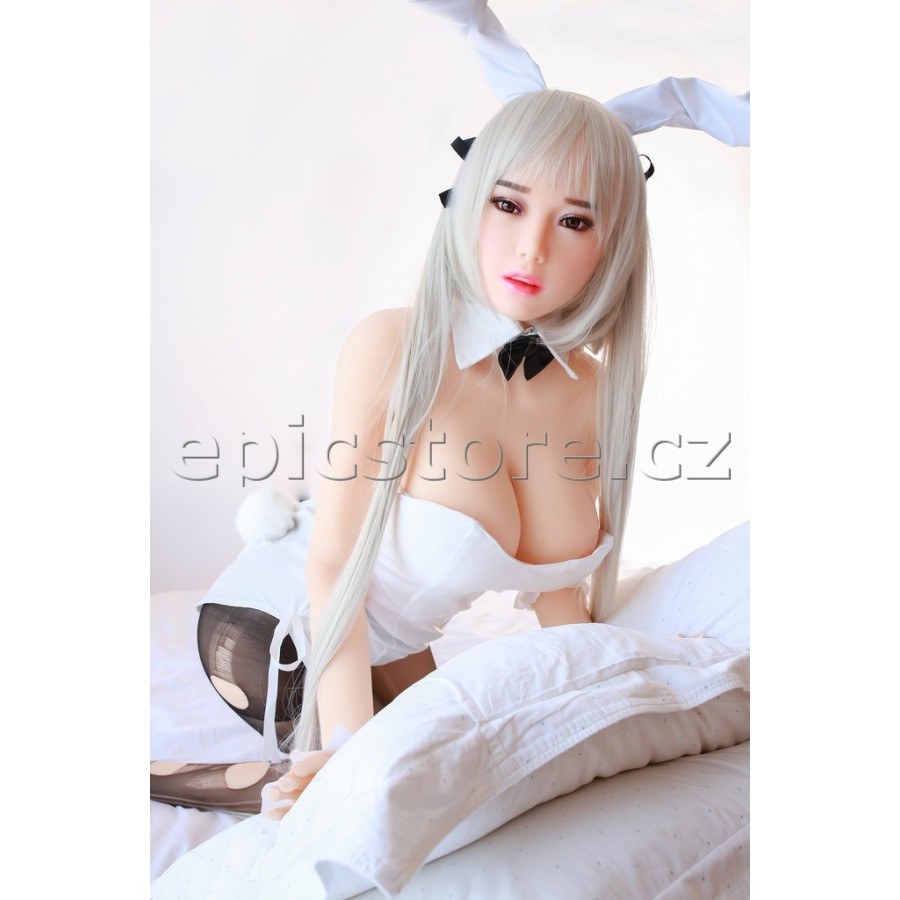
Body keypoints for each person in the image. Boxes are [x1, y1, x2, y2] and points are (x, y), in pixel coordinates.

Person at [192, 87, 650, 819]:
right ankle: (180, 779)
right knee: (382, 791)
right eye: (508, 204)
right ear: (467, 202)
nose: (533, 246)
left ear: (614, 241)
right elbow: (334, 563)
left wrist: (616, 700)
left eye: (574, 220)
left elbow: (561, 597)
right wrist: (348, 742)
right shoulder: (394, 347)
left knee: (476, 771)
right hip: (277, 621)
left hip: (398, 646)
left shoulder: (590, 391)